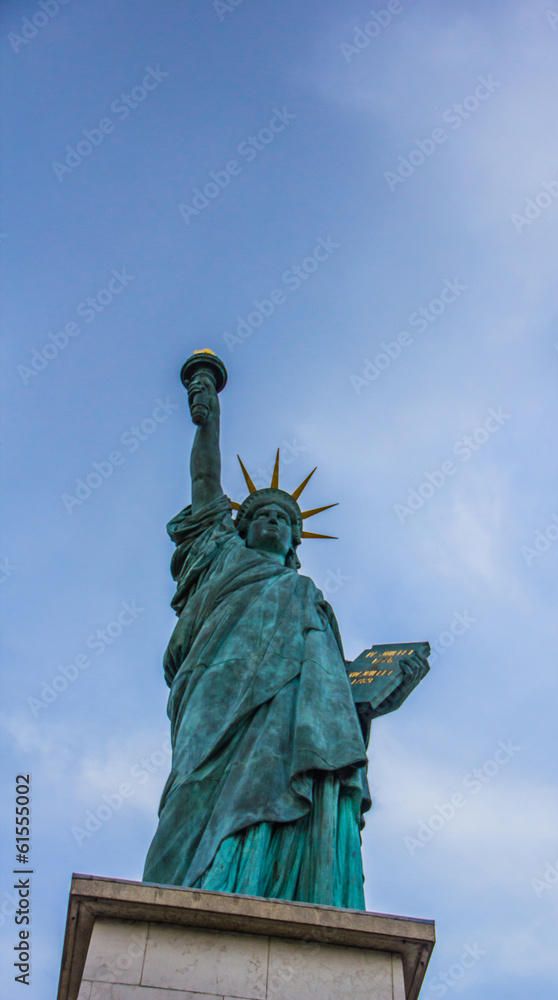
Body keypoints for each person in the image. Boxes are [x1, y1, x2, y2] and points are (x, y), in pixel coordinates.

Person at [142, 369, 429, 907]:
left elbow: (333, 696)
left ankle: (269, 887)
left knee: (283, 785)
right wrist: (209, 420)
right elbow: (205, 485)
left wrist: (384, 693)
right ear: (242, 526)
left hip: (289, 721)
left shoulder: (308, 596)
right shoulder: (220, 555)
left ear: (296, 538)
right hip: (214, 693)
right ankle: (176, 898)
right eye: (262, 515)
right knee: (192, 790)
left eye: (284, 518)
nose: (272, 521)